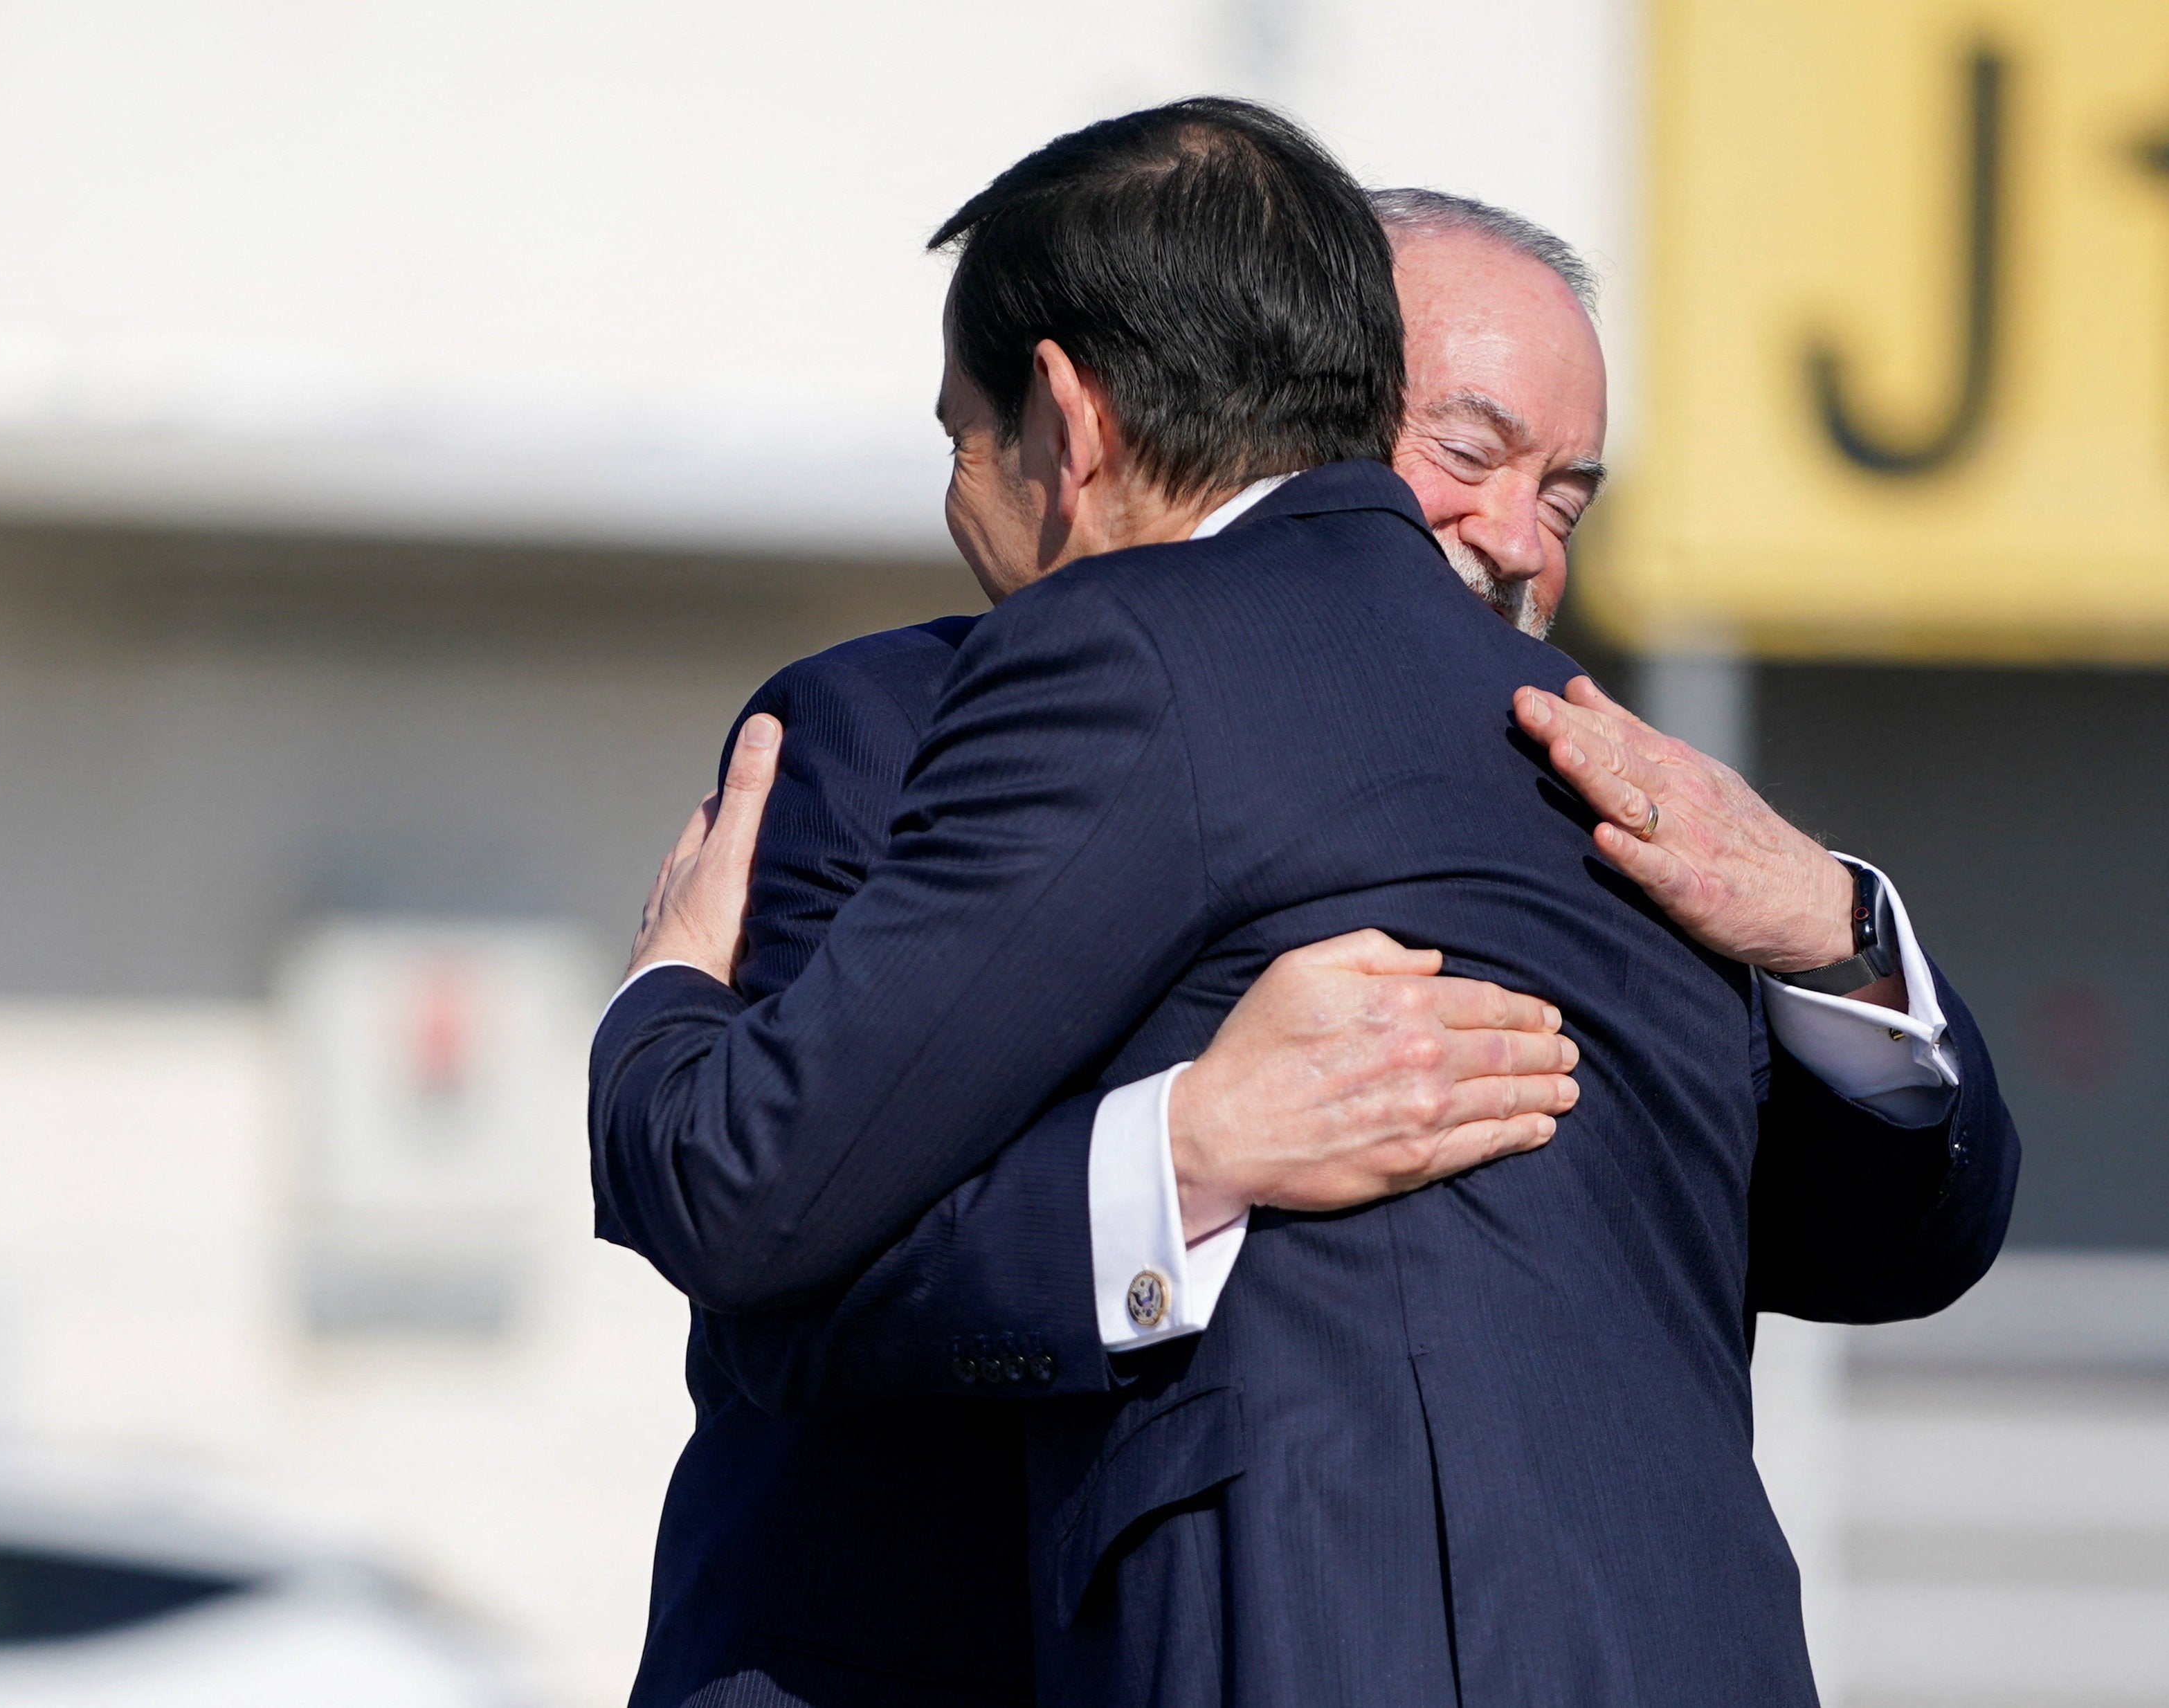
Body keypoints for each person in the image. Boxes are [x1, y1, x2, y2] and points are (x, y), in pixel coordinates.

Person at [596, 103, 2016, 1707]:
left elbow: (1838, 1242)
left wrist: (1832, 926)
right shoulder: (895, 726)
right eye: (1465, 454)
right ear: (1308, 400)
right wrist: (1179, 1158)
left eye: (1567, 497)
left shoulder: (1611, 789)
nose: (1507, 535)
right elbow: (799, 1282)